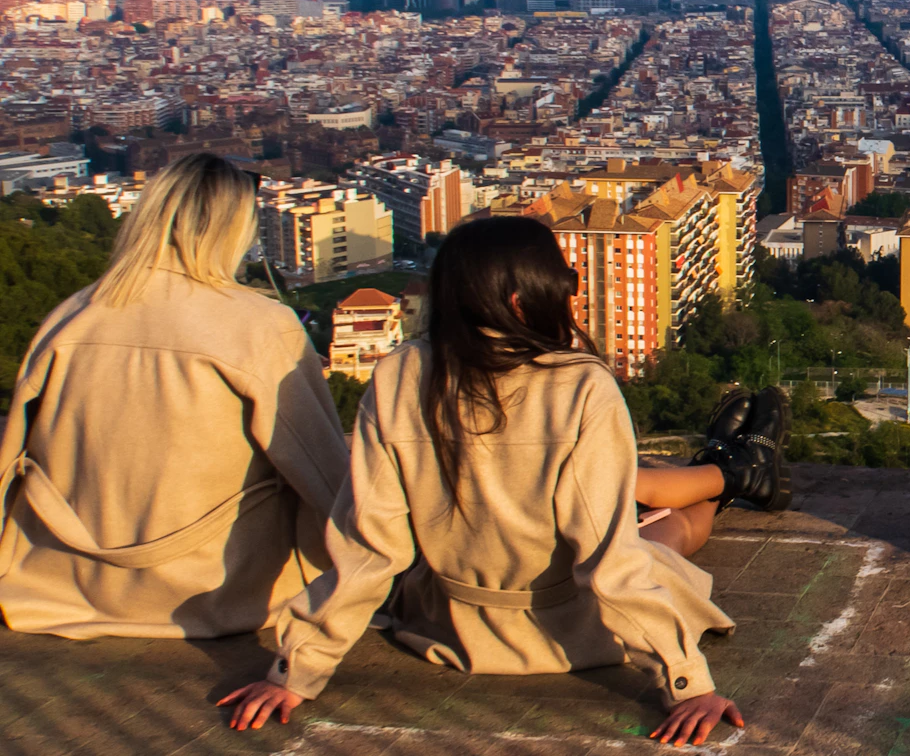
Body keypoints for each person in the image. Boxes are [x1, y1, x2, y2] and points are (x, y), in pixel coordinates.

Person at [218, 216, 789, 749]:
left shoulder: (400, 375)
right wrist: (687, 682)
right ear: (520, 301)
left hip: (450, 625)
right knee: (675, 527)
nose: (567, 294)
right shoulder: (580, 387)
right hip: (575, 629)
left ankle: (727, 464)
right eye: (561, 283)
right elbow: (608, 562)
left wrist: (296, 671)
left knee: (653, 510)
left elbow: (369, 546)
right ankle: (732, 473)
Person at [0, 153, 348, 638]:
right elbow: (325, 476)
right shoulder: (259, 327)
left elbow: (10, 458)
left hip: (60, 584)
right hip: (213, 593)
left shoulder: (71, 317)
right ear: (235, 229)